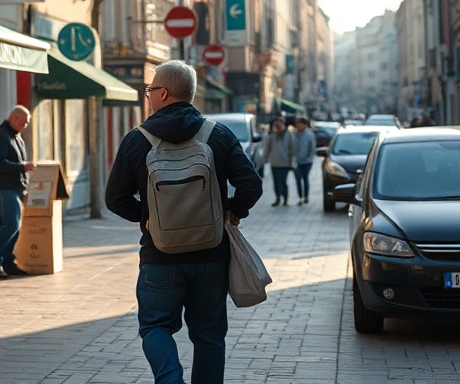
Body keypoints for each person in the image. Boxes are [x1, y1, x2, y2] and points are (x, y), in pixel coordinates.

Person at [106, 61, 262, 384]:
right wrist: (232, 211)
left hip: (159, 256)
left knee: (154, 326)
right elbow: (252, 184)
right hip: (211, 254)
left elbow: (114, 199)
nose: (148, 96)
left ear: (163, 93)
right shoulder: (217, 135)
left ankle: (170, 378)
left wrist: (148, 217)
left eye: (150, 90)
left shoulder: (137, 140)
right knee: (208, 335)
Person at [0, 105, 37, 279]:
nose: (26, 125)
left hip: (14, 187)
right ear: (13, 118)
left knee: (11, 226)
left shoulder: (15, 136)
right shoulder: (1, 136)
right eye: (24, 122)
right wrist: (22, 166)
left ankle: (7, 262)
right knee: (11, 225)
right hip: (3, 188)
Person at [265, 117, 296, 206]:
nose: (277, 127)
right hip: (274, 163)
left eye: (279, 124)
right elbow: (267, 149)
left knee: (283, 181)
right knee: (276, 182)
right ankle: (278, 198)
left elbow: (292, 147)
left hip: (285, 163)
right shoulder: (272, 135)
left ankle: (285, 198)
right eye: (275, 125)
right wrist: (264, 160)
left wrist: (293, 158)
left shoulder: (288, 134)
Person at [292, 117, 316, 205]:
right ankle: (300, 197)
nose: (299, 126)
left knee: (305, 178)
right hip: (296, 161)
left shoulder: (309, 135)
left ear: (305, 125)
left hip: (307, 161)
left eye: (300, 124)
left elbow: (312, 148)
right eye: (297, 124)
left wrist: (309, 157)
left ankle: (306, 196)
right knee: (298, 178)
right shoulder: (293, 135)